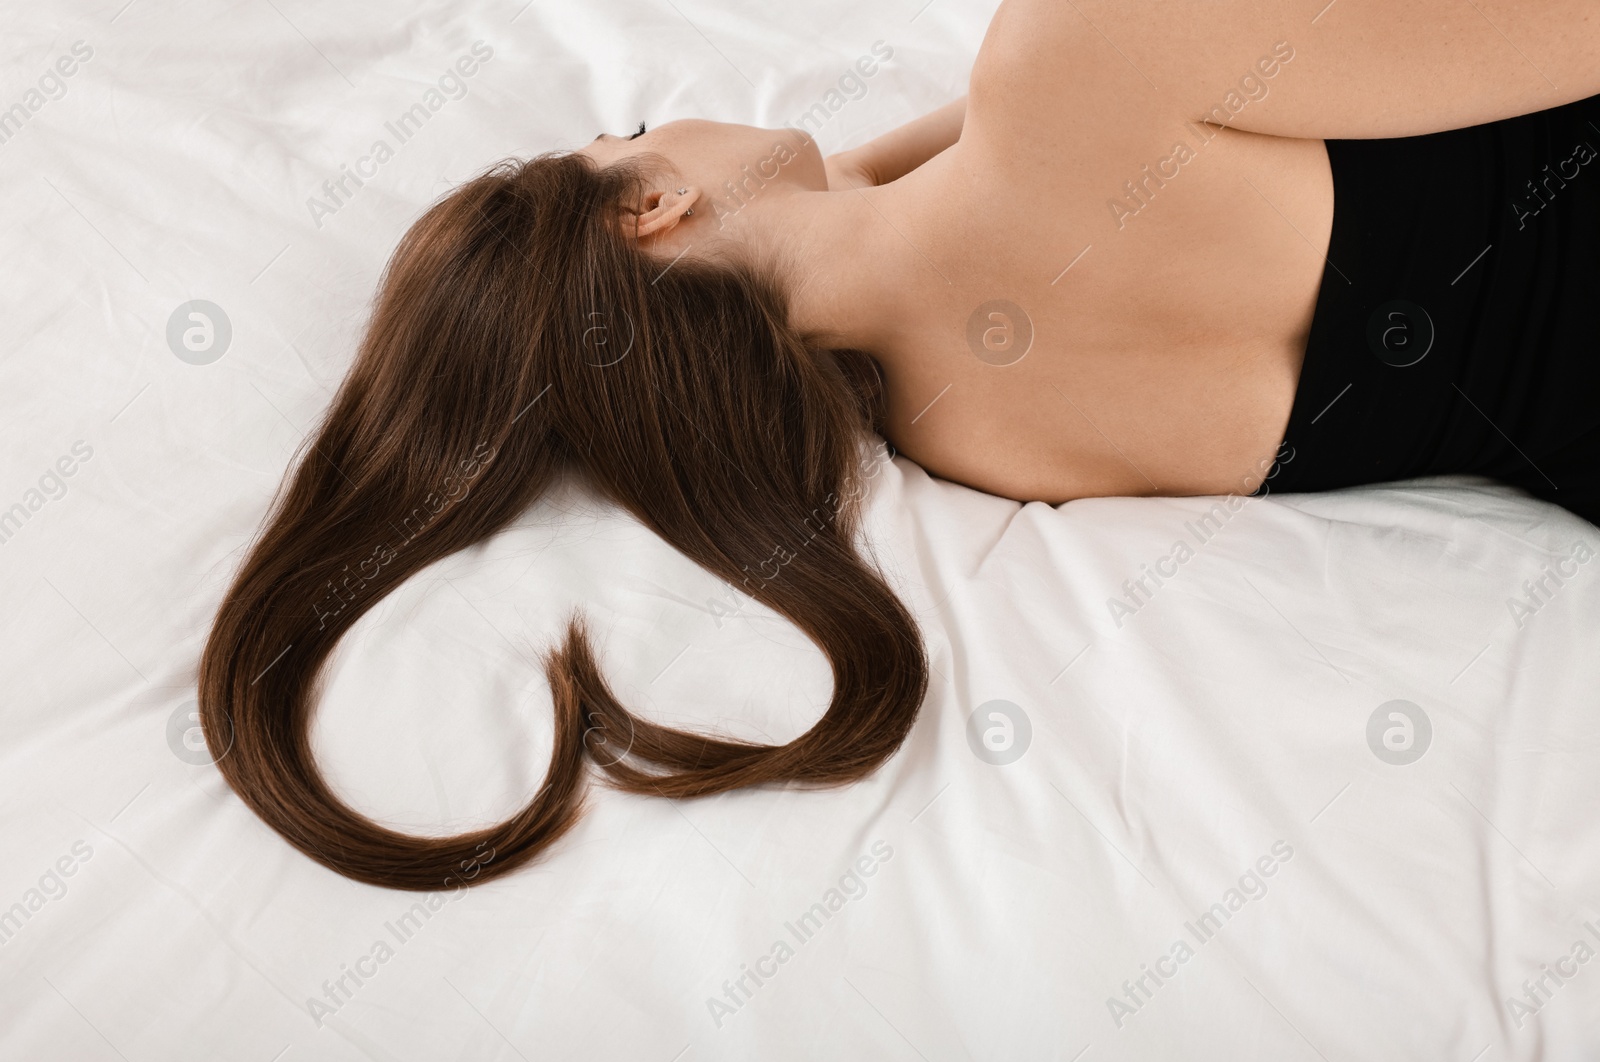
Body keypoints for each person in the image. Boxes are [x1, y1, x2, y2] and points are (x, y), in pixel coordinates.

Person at [201, 1, 1600, 889]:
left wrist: (787, 216)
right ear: (647, 209)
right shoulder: (1073, 68)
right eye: (628, 133)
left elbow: (941, 202)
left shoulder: (974, 429)